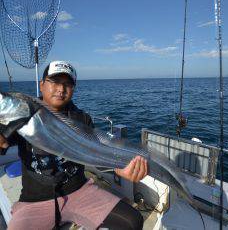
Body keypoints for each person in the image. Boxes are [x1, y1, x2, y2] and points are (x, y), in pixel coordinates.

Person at [0, 61, 148, 230]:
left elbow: (96, 153)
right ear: (42, 85)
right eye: (55, 82)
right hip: (34, 200)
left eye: (68, 84)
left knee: (133, 221)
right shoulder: (23, 112)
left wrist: (118, 168)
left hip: (79, 190)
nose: (61, 89)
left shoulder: (82, 119)